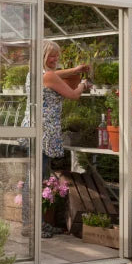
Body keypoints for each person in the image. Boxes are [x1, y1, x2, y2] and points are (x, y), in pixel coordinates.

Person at [22, 39, 91, 238]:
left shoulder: (34, 73)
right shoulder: (48, 76)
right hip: (43, 133)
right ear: (43, 55)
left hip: (34, 130)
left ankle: (37, 223)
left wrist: (74, 69)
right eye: (51, 55)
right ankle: (32, 225)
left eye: (57, 55)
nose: (55, 59)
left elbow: (56, 75)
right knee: (37, 179)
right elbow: (73, 95)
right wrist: (83, 85)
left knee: (35, 178)